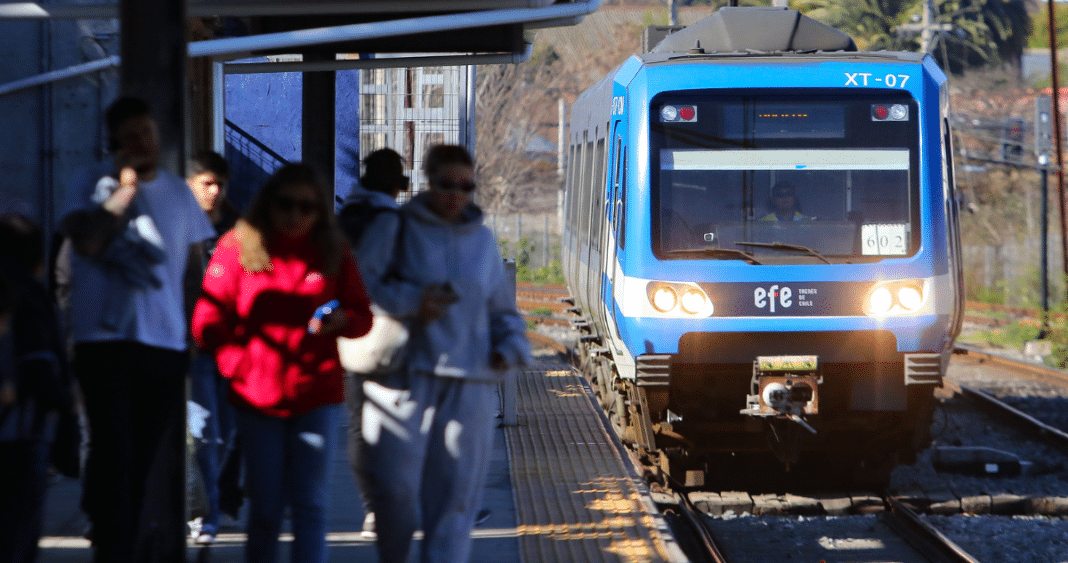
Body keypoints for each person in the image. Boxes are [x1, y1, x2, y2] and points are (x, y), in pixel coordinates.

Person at [191, 162, 373, 563]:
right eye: (285, 205)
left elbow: (363, 315)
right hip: (258, 398)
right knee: (267, 508)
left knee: (311, 504)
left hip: (316, 395)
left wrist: (344, 321)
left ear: (320, 212)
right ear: (268, 205)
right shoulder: (238, 247)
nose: (295, 216)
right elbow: (207, 319)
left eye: (307, 208)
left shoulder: (332, 249)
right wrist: (235, 363)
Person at [60, 96, 216, 562]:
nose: (142, 144)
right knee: (114, 454)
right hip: (103, 343)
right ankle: (113, 545)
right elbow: (86, 242)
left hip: (162, 343)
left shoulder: (177, 191)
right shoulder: (89, 183)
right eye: (130, 137)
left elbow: (193, 269)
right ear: (113, 143)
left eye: (146, 134)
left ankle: (136, 542)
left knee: (150, 459)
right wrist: (123, 193)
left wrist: (190, 332)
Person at [362, 144, 530, 563]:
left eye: (466, 186)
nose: (456, 194)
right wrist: (411, 301)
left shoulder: (483, 242)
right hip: (403, 379)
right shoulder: (394, 229)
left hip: (469, 382)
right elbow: (362, 288)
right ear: (427, 182)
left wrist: (508, 348)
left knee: (456, 501)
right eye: (445, 184)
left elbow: (503, 310)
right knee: (396, 494)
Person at [337, 147, 409, 540]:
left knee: (357, 425)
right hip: (388, 334)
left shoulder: (344, 215)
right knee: (396, 424)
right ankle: (388, 506)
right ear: (397, 184)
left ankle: (371, 509)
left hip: (348, 333)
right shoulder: (392, 221)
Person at [0, 214, 78, 563]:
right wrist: (66, 408)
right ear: (37, 260)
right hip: (23, 433)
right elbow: (39, 363)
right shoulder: (29, 296)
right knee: (18, 534)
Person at [184, 150, 242, 544]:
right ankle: (207, 513)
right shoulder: (177, 225)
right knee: (203, 430)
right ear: (190, 184)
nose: (214, 191)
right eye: (206, 183)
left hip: (235, 346)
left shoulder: (239, 228)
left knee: (230, 433)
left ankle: (211, 498)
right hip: (194, 348)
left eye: (219, 183)